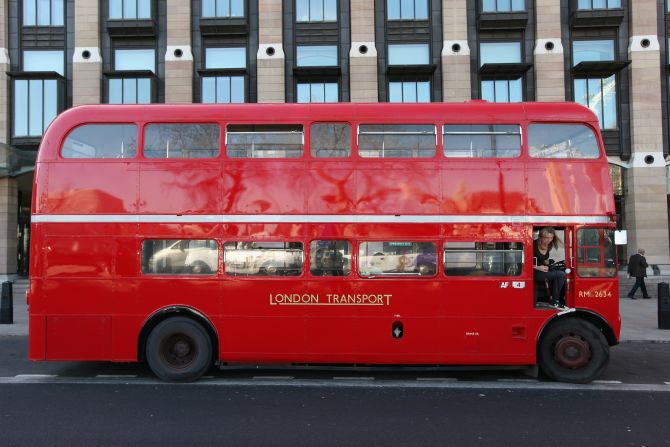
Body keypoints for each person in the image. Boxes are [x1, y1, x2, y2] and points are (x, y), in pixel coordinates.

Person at [533, 227, 566, 307]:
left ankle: (559, 299)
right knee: (561, 275)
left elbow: (543, 259)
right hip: (534, 272)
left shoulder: (549, 245)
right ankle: (554, 300)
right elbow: (523, 263)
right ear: (541, 237)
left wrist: (548, 264)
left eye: (551, 238)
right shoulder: (533, 244)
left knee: (563, 271)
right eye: (547, 238)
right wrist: (537, 267)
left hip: (542, 270)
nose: (549, 240)